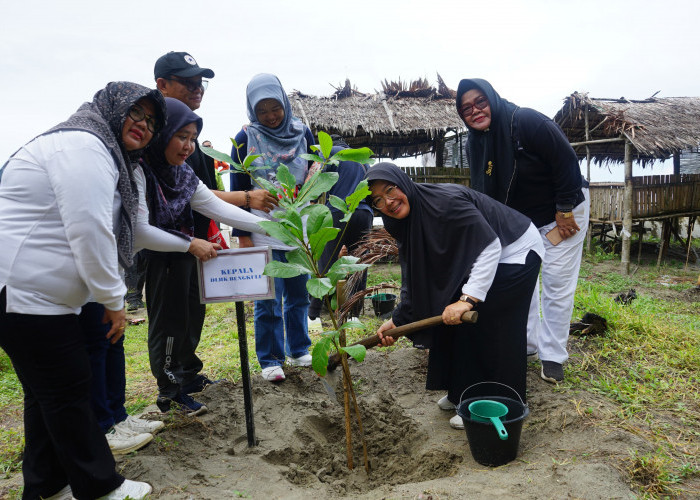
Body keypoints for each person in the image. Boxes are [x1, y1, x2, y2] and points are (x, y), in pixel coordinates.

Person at [0, 82, 163, 500]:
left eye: (151, 121)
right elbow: (89, 230)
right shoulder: (83, 147)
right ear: (113, 108)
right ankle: (100, 486)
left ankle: (46, 485)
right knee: (69, 388)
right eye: (136, 114)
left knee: (47, 395)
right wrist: (114, 301)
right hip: (23, 294)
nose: (143, 126)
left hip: (35, 297)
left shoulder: (99, 148)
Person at [369, 163, 543, 430]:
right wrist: (399, 320)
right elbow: (416, 271)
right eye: (378, 200)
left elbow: (489, 244)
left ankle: (498, 400)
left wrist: (468, 299)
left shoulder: (444, 202)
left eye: (390, 190)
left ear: (402, 182)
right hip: (485, 253)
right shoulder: (403, 220)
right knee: (450, 316)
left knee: (488, 323)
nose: (389, 202)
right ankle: (461, 391)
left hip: (515, 249)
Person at [154, 52, 277, 395]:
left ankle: (188, 374)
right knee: (170, 320)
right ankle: (170, 388)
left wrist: (271, 227)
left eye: (200, 83)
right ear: (162, 85)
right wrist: (249, 200)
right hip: (166, 247)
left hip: (197, 241)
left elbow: (203, 197)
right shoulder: (153, 142)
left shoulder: (189, 139)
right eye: (187, 83)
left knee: (193, 311)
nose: (197, 89)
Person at [456, 78, 590, 384]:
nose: (474, 110)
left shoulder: (526, 121)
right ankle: (528, 344)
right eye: (466, 108)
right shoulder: (475, 142)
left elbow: (566, 162)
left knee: (556, 282)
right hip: (522, 222)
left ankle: (553, 355)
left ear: (492, 98)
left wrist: (566, 208)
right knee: (521, 278)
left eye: (480, 101)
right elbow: (484, 189)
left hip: (563, 211)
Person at [229, 73, 316, 383]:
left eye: (275, 108)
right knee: (267, 300)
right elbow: (237, 188)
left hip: (297, 230)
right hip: (261, 232)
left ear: (284, 104)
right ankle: (270, 358)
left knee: (299, 295)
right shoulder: (244, 139)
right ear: (252, 109)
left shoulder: (303, 132)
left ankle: (299, 348)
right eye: (262, 110)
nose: (269, 116)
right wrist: (242, 237)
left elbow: (317, 168)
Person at [307, 135, 373, 321]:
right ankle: (353, 314)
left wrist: (311, 202)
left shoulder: (329, 153)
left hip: (337, 211)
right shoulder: (361, 159)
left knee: (325, 263)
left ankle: (313, 315)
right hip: (363, 213)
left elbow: (315, 181)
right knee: (358, 263)